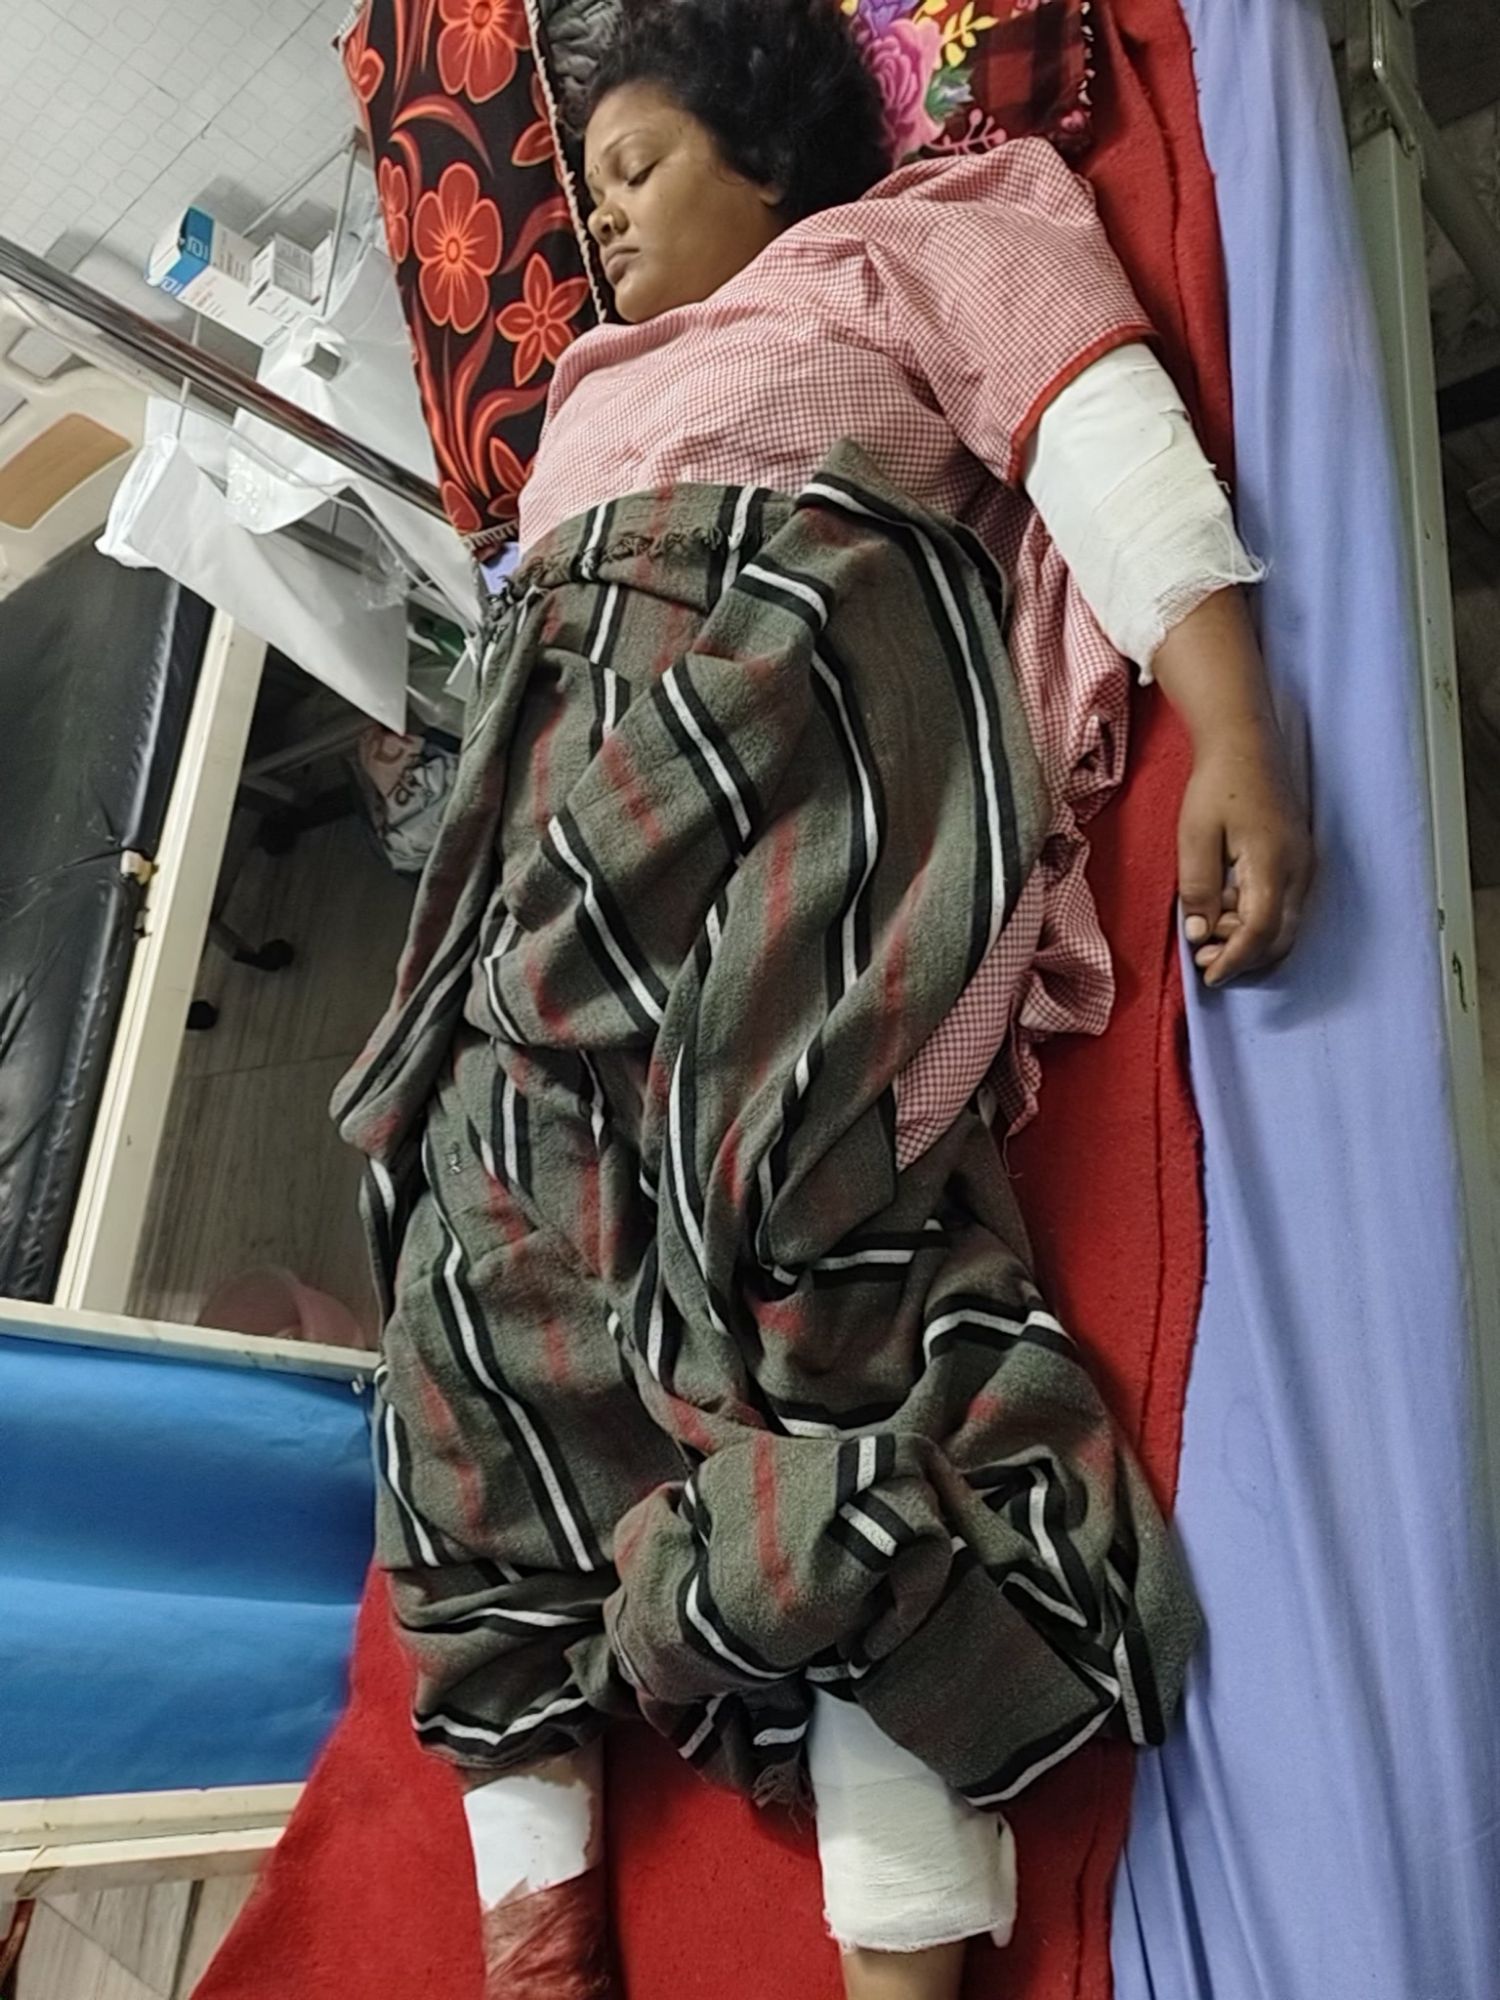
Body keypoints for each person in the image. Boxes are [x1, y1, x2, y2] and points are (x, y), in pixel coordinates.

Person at [335, 2, 1314, 1997]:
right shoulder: (583, 390)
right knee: (468, 1284)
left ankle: (900, 1937)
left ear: (772, 155)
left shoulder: (914, 239)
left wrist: (1235, 729)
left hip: (778, 698)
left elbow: (1101, 439)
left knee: (799, 1258)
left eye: (638, 167)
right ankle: (536, 1935)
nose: (602, 225)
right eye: (592, 189)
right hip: (555, 814)